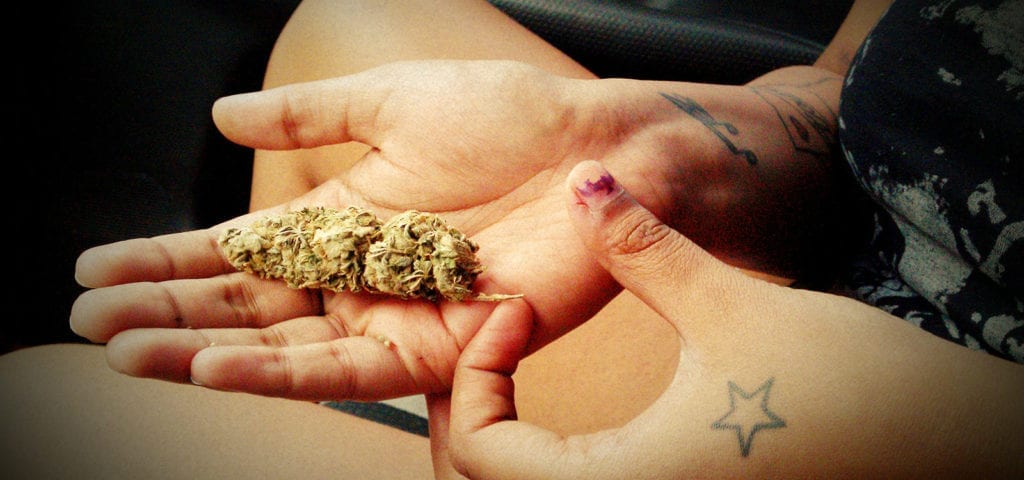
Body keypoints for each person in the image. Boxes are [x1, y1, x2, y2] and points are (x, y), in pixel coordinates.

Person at [1, 0, 1020, 478]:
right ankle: (395, 414)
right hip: (865, 307)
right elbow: (856, 70)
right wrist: (688, 150)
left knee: (35, 414)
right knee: (346, 24)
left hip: (917, 430)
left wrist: (939, 440)